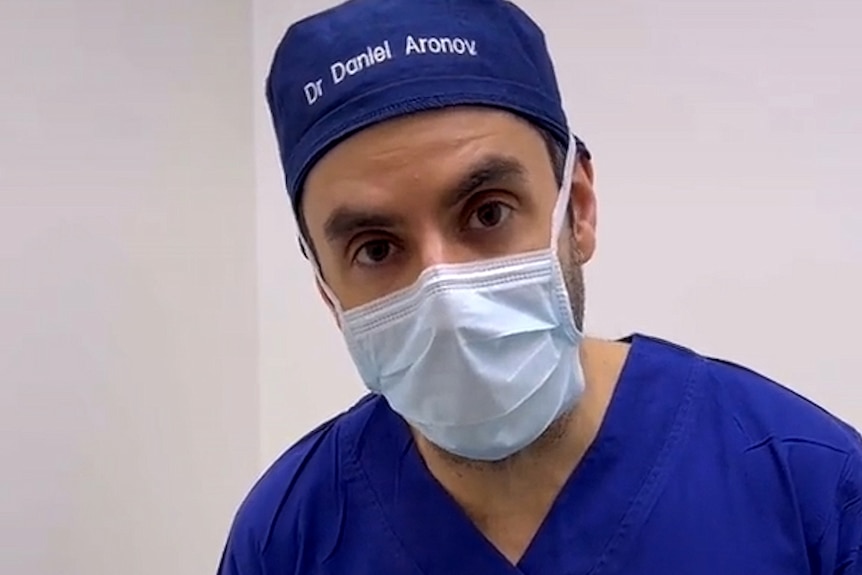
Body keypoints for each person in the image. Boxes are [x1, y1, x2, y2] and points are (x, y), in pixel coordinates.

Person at [218, 1, 862, 573]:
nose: (445, 293)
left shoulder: (810, 490)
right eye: (377, 249)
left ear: (576, 208)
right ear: (327, 289)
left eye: (488, 212)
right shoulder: (289, 538)